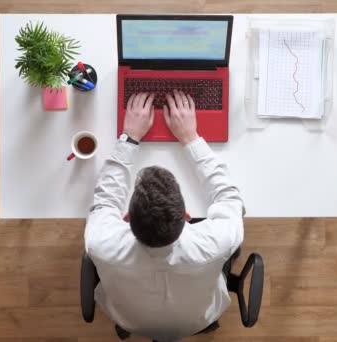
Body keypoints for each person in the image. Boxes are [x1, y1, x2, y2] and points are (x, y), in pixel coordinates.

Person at [84, 90, 244, 342]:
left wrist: (130, 137)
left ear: (127, 217)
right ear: (186, 215)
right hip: (198, 319)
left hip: (129, 319)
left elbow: (105, 200)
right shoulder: (217, 242)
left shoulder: (101, 242)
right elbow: (229, 198)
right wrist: (190, 138)